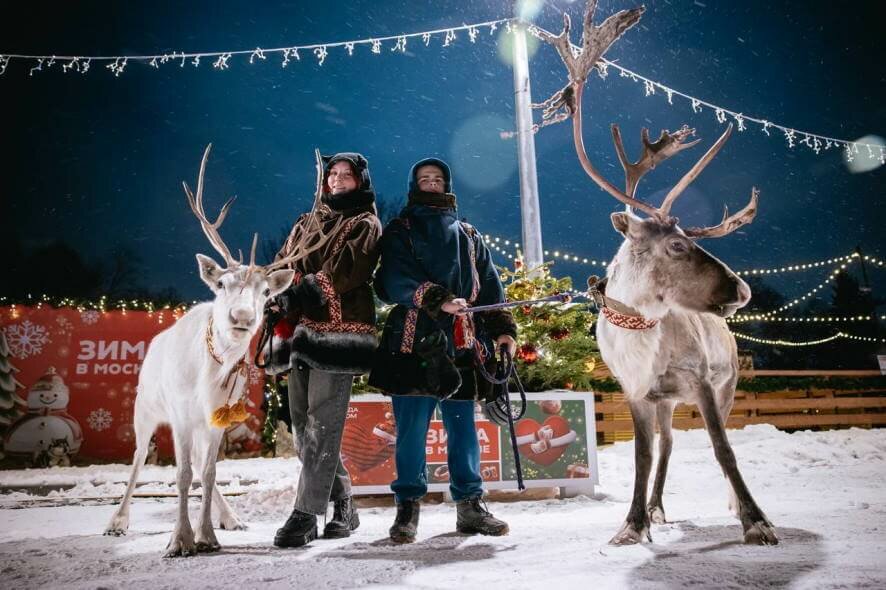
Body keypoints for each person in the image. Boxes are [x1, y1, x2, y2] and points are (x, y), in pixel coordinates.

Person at [369, 157, 517, 544]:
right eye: (424, 179)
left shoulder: (469, 234)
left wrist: (502, 329)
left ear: (446, 184)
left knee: (464, 430)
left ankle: (470, 506)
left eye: (437, 179)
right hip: (413, 342)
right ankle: (407, 509)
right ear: (414, 184)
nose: (431, 183)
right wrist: (437, 298)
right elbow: (392, 278)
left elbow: (489, 284)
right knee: (412, 433)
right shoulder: (399, 229)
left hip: (463, 342)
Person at [272, 152, 382, 548]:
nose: (337, 180)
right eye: (332, 174)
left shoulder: (365, 223)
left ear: (359, 181)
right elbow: (282, 264)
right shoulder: (307, 222)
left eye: (346, 175)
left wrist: (298, 290)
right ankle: (345, 503)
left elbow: (345, 272)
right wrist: (273, 291)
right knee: (303, 429)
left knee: (322, 424)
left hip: (339, 336)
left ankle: (305, 514)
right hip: (300, 334)